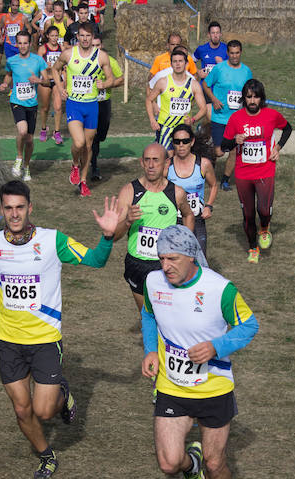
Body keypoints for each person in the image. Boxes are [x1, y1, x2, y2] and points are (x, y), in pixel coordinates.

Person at [0, 181, 121, 479]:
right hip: (9, 342)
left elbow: (96, 260)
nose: (14, 214)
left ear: (30, 207)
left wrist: (107, 236)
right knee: (21, 410)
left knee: (43, 411)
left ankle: (62, 392)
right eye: (8, 208)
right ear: (1, 210)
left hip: (45, 340)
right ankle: (46, 455)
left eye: (19, 207)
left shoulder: (53, 241)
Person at [140, 225, 258, 479]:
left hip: (214, 389)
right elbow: (149, 314)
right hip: (172, 387)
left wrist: (217, 347)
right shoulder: (153, 282)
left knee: (216, 461)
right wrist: (151, 348)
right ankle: (190, 466)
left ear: (191, 256)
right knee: (168, 463)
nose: (166, 266)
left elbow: (249, 325)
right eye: (162, 258)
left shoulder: (220, 290)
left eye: (173, 259)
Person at [113, 142, 194, 312]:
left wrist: (186, 246)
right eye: (147, 160)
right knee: (147, 317)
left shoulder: (176, 193)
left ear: (166, 163)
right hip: (137, 264)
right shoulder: (129, 191)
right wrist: (127, 221)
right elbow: (113, 236)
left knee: (169, 317)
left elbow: (188, 215)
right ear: (141, 162)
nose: (151, 165)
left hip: (166, 264)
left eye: (156, 160)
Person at [221, 78, 292, 263]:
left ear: (261, 98)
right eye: (249, 97)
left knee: (264, 210)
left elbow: (288, 128)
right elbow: (224, 145)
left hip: (265, 170)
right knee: (248, 214)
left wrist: (278, 148)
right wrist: (234, 140)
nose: (252, 101)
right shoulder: (235, 118)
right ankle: (253, 248)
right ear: (244, 98)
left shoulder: (271, 115)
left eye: (256, 97)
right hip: (244, 173)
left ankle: (265, 227)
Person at [50, 22, 114, 196]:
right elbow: (55, 69)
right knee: (78, 143)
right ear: (77, 36)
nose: (85, 39)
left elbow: (111, 79)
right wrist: (60, 87)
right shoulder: (69, 54)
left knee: (87, 145)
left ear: (93, 37)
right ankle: (75, 165)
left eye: (88, 36)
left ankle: (83, 181)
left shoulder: (101, 57)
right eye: (82, 35)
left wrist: (104, 83)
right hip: (74, 104)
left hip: (92, 105)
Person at [202, 40, 252, 191]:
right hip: (219, 117)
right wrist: (214, 99)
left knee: (234, 151)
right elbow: (205, 84)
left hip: (237, 118)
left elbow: (249, 92)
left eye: (237, 53)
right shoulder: (219, 69)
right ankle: (206, 166)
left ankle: (224, 180)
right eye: (232, 53)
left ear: (241, 53)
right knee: (218, 151)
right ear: (227, 53)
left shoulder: (246, 71)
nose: (235, 56)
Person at [1, 29, 50, 181]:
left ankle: (26, 168)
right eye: (20, 43)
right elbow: (8, 75)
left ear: (30, 44)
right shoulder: (11, 61)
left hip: (32, 104)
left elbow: (47, 80)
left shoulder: (37, 60)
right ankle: (18, 158)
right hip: (17, 101)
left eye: (25, 43)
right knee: (22, 132)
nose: (22, 46)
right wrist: (4, 83)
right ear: (16, 44)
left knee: (29, 139)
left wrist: (39, 81)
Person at [166, 123, 217, 256]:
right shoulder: (167, 166)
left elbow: (214, 185)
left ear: (192, 141)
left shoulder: (203, 164)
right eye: (177, 142)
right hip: (174, 220)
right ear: (173, 143)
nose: (181, 145)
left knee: (199, 261)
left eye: (185, 141)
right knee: (175, 260)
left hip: (197, 219)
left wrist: (209, 206)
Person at [146, 47, 207, 150]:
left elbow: (203, 108)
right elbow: (149, 99)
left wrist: (192, 120)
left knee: (183, 158)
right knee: (166, 158)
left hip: (184, 128)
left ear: (186, 64)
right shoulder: (163, 82)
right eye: (175, 61)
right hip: (165, 127)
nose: (178, 64)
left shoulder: (193, 84)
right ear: (171, 64)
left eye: (180, 61)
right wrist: (152, 120)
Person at [90, 32, 124, 181]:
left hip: (104, 102)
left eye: (98, 45)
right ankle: (93, 166)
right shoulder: (85, 62)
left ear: (102, 45)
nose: (96, 48)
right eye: (93, 46)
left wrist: (107, 84)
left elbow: (121, 79)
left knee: (101, 135)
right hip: (88, 102)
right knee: (93, 138)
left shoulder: (110, 61)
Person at [37, 25, 66, 145]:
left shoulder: (62, 48)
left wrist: (65, 80)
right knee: (45, 107)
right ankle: (44, 128)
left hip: (57, 80)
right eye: (52, 36)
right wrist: (46, 66)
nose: (54, 38)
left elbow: (65, 65)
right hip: (45, 80)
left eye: (56, 36)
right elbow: (38, 66)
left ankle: (57, 132)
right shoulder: (43, 49)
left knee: (58, 107)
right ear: (47, 36)